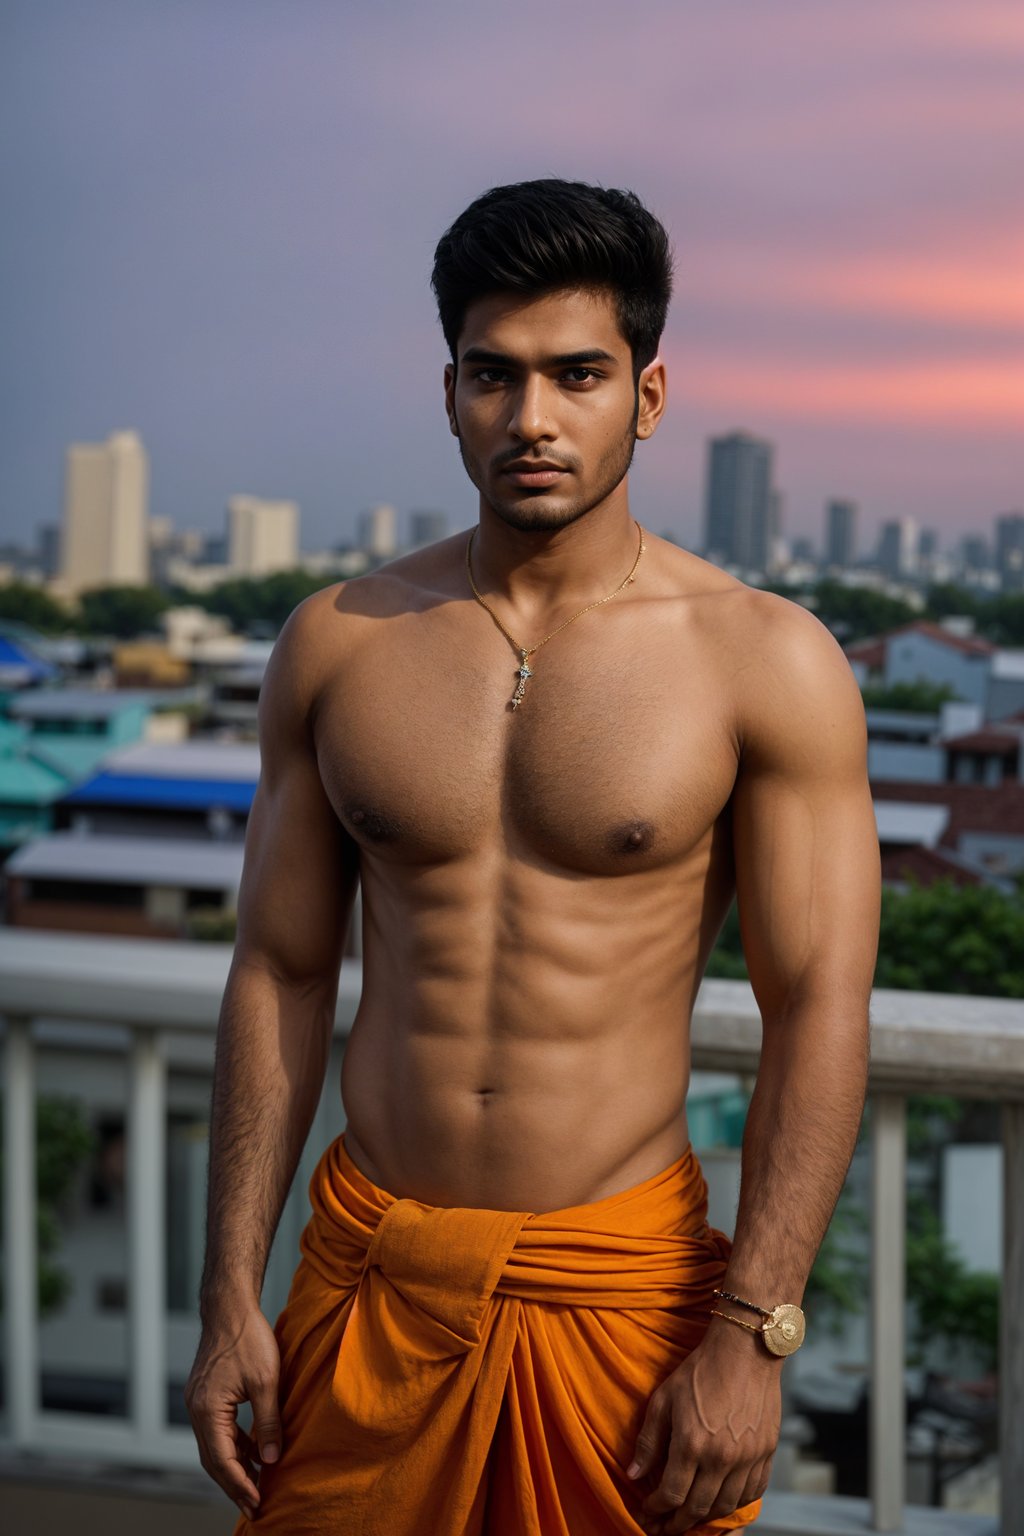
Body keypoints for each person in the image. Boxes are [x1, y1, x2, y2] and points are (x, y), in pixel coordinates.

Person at [186, 178, 881, 1536]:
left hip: (620, 1295)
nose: (533, 419)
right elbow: (276, 970)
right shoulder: (341, 642)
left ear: (650, 393)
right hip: (370, 1275)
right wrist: (226, 1290)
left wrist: (753, 1334)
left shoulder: (762, 658)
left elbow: (817, 1011)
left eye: (579, 374)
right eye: (494, 377)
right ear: (448, 391)